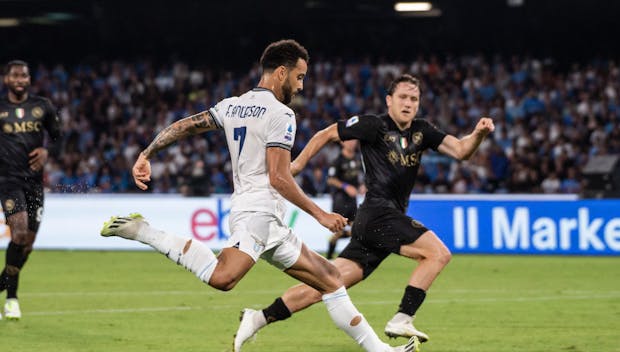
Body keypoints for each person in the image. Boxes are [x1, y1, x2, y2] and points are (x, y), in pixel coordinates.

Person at [100, 40, 417, 352]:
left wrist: (147, 152)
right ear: (281, 73)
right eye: (300, 77)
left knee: (331, 279)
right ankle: (143, 231)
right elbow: (279, 178)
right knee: (223, 278)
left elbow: (186, 126)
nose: (302, 86)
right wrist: (320, 215)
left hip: (267, 219)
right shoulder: (281, 114)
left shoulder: (231, 105)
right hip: (257, 214)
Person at [234, 74, 494, 347]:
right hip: (378, 214)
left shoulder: (422, 131)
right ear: (389, 101)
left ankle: (258, 318)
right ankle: (403, 318)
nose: (408, 103)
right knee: (438, 254)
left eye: (413, 99)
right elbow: (328, 133)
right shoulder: (374, 125)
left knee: (327, 284)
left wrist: (478, 134)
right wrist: (296, 166)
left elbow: (462, 150)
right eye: (403, 97)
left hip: (378, 221)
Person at [0, 60, 62, 320]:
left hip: (35, 184)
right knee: (20, 231)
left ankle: (7, 295)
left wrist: (48, 151)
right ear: (6, 79)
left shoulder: (42, 106)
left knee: (27, 245)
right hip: (8, 181)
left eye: (24, 76)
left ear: (28, 79)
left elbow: (59, 137)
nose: (20, 79)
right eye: (15, 75)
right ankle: (11, 299)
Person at [325, 139, 364, 259]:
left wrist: (362, 185)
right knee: (339, 231)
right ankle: (330, 257)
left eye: (354, 141)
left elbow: (362, 176)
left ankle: (356, 258)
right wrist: (345, 186)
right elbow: (330, 179)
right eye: (349, 141)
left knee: (358, 230)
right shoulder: (337, 161)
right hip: (340, 201)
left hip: (352, 201)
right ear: (342, 143)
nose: (352, 143)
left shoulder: (358, 159)